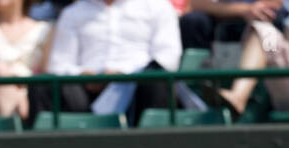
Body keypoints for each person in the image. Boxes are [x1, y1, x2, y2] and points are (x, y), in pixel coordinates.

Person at [28, 0, 182, 126]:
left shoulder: (158, 6)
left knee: (156, 80)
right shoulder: (73, 13)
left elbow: (168, 57)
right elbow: (59, 65)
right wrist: (84, 76)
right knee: (42, 86)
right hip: (84, 93)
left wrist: (124, 75)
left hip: (139, 87)